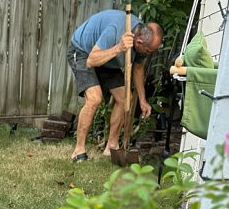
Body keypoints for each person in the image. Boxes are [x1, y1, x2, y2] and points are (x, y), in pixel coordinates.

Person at [67, 10, 163, 161]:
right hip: (83, 52)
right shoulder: (115, 30)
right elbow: (91, 61)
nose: (149, 53)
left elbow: (138, 68)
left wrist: (143, 100)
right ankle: (78, 150)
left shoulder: (143, 42)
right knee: (94, 98)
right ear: (139, 42)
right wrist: (119, 47)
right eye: (148, 50)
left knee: (125, 98)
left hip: (108, 59)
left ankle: (111, 147)